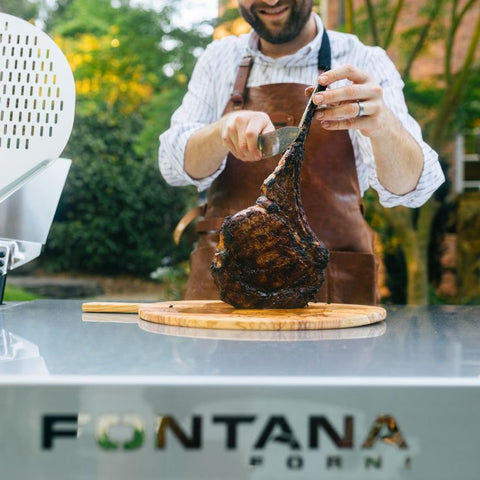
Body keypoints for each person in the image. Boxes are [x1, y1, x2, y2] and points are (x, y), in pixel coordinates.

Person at [159, 0, 445, 305]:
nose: (270, 1)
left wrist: (383, 125)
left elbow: (412, 190)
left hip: (332, 296)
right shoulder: (220, 58)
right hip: (227, 295)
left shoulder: (363, 60)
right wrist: (220, 131)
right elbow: (174, 166)